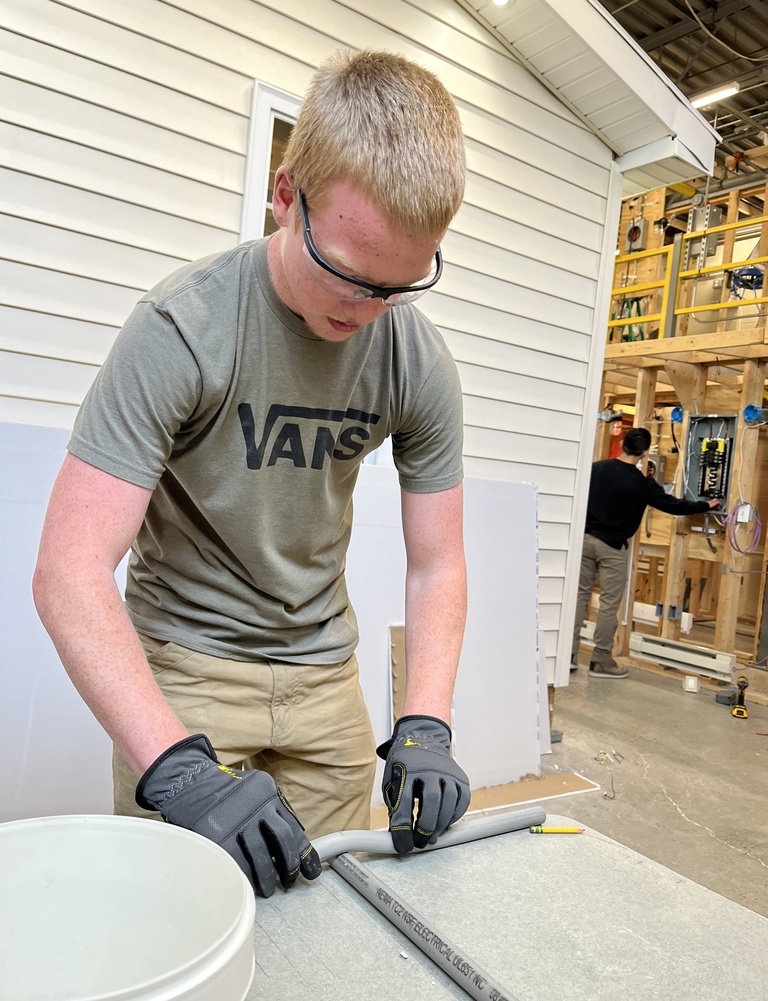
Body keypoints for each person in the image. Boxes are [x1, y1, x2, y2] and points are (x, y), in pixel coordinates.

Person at [32, 49, 471, 898]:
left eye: (399, 286)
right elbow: (69, 571)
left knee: (333, 928)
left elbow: (438, 561)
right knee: (182, 924)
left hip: (325, 682)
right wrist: (175, 768)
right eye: (346, 272)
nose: (367, 311)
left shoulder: (415, 358)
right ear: (285, 196)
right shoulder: (181, 329)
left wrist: (425, 721)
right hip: (185, 670)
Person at [571, 427, 719, 679]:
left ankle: (568, 657)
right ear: (644, 453)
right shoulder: (642, 484)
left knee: (578, 598)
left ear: (622, 445)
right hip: (612, 546)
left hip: (584, 541)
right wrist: (706, 505)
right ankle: (601, 661)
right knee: (608, 605)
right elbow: (674, 505)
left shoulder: (596, 469)